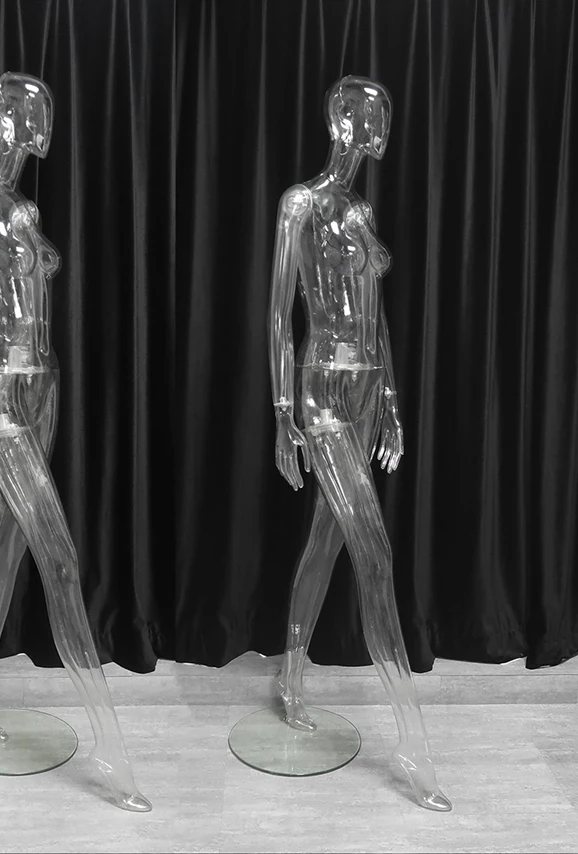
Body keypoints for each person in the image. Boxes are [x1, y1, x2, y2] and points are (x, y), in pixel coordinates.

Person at [0, 71, 151, 813]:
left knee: (7, 546)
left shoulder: (26, 207)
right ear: (5, 120)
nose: (44, 123)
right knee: (61, 557)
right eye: (33, 111)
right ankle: (113, 752)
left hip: (45, 385)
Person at [268, 75, 451, 812]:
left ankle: (290, 670)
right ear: (342, 121)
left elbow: (376, 317)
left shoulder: (362, 210)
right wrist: (282, 411)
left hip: (369, 386)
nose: (381, 126)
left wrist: (396, 403)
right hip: (320, 387)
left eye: (384, 114)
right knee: (373, 551)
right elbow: (279, 317)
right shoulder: (301, 204)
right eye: (371, 114)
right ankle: (413, 744)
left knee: (327, 540)